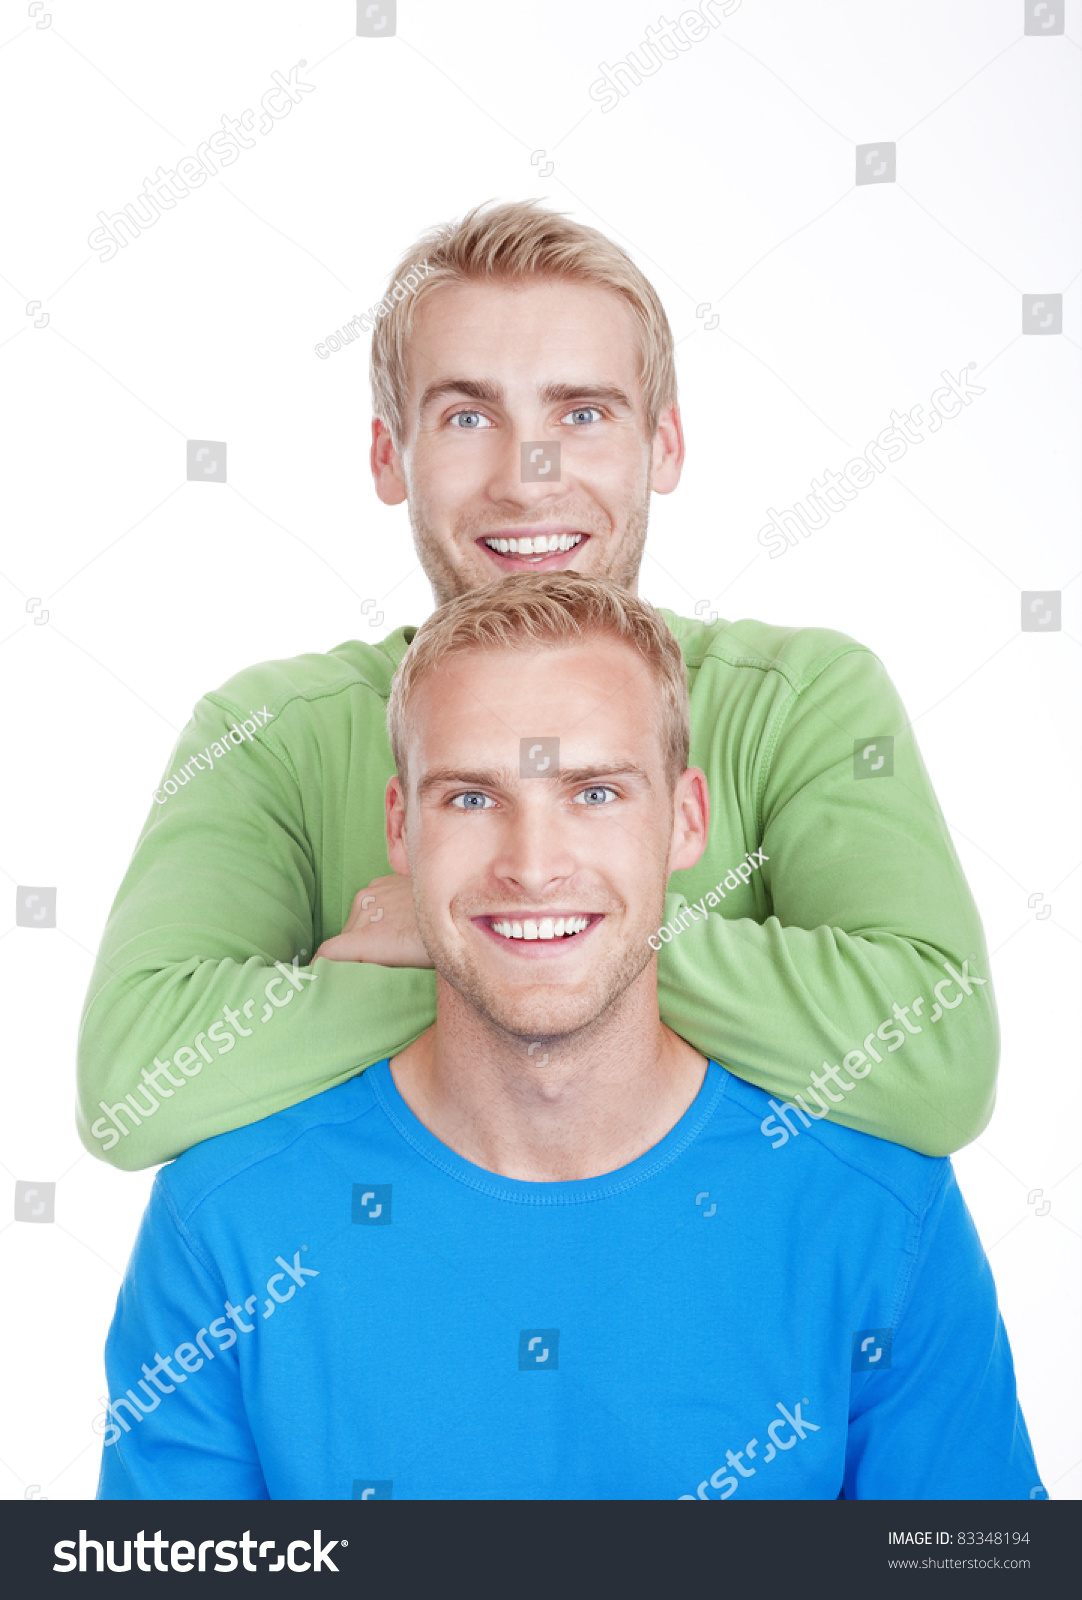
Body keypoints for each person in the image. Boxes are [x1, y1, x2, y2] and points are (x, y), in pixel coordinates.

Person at [78, 199, 997, 1170]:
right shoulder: (267, 734)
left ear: (665, 445)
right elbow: (135, 1080)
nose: (526, 477)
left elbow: (936, 1057)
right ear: (390, 456)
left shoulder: (804, 698)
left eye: (582, 413)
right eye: (468, 415)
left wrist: (479, 933)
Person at [97, 575, 1041, 1501]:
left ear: (686, 822)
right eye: (471, 798)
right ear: (399, 826)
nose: (534, 867)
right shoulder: (222, 1222)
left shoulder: (880, 1215)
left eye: (594, 794)